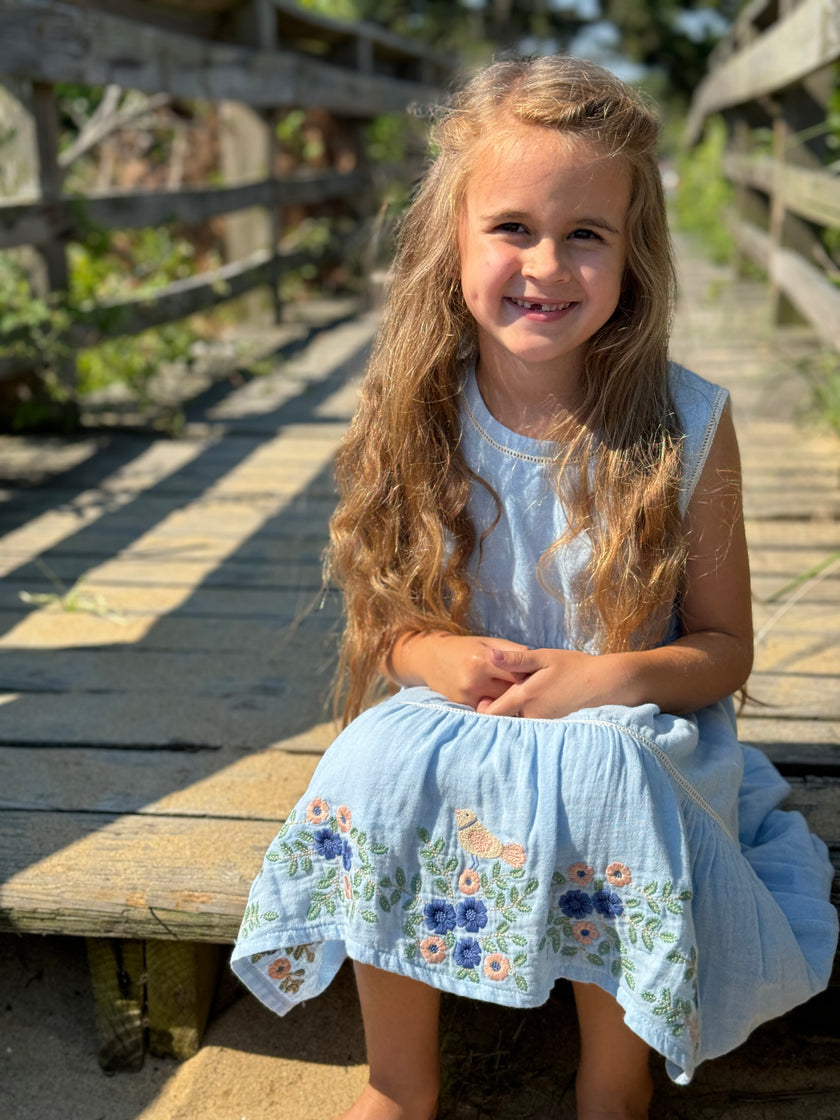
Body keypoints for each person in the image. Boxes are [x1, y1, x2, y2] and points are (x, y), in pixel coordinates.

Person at [231, 56, 837, 1120]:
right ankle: (399, 1081)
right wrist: (438, 654)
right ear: (452, 239)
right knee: (373, 755)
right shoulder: (417, 406)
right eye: (512, 227)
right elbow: (385, 625)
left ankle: (614, 1080)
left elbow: (725, 649)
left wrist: (603, 678)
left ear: (633, 254)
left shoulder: (686, 423)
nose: (546, 265)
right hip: (467, 716)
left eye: (585, 234)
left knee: (606, 774)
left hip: (627, 728)